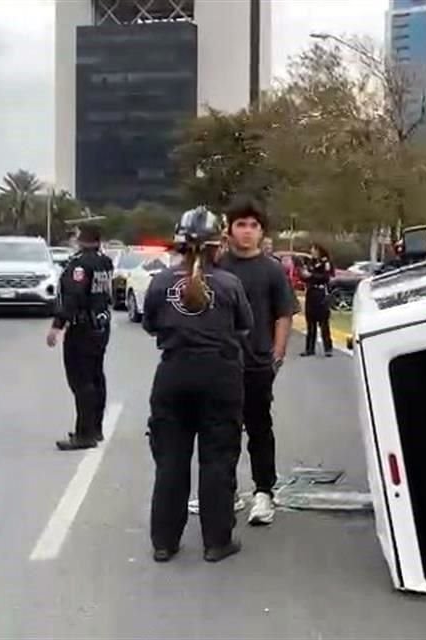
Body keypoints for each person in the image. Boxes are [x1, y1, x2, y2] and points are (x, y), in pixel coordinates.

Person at [142, 206, 254, 563]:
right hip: (219, 376)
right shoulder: (229, 284)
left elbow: (151, 326)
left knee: (170, 461)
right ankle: (216, 541)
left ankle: (164, 542)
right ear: (217, 245)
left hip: (173, 375)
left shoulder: (160, 283)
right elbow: (244, 327)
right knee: (218, 460)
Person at [215, 197, 295, 526]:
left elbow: (284, 314)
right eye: (241, 225)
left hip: (258, 362)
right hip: (221, 362)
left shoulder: (272, 269)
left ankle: (264, 493)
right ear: (230, 230)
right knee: (223, 429)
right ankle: (226, 492)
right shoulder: (217, 267)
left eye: (253, 226)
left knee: (259, 428)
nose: (247, 232)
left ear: (261, 232)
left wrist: (277, 353)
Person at [47, 224, 114, 451]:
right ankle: (95, 428)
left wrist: (57, 325)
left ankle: (85, 434)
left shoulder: (80, 264)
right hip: (101, 326)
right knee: (96, 377)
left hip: (82, 329)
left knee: (81, 381)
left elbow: (74, 296)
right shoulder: (104, 262)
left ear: (81, 238)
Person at [300, 243, 335, 358]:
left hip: (321, 293)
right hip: (311, 293)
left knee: (323, 322)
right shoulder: (310, 263)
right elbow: (304, 277)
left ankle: (328, 348)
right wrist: (304, 275)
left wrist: (311, 275)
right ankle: (309, 349)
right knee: (310, 323)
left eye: (314, 250)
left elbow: (326, 277)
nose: (312, 252)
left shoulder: (325, 263)